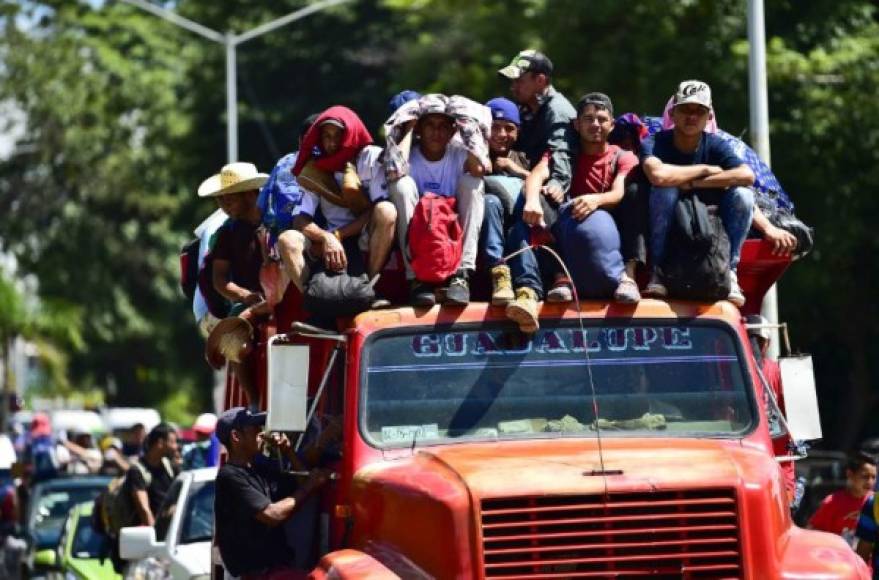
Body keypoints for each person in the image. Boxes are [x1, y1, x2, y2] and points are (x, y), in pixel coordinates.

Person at [640, 80, 756, 306]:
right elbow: (659, 176)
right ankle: (657, 269)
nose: (692, 117)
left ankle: (730, 271)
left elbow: (747, 175)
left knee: (744, 195)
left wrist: (693, 184)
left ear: (709, 117)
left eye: (699, 111)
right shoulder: (654, 142)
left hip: (712, 228)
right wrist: (704, 170)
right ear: (672, 114)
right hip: (668, 226)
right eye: (685, 110)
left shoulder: (716, 144)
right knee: (666, 191)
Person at [277, 107, 396, 304]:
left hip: (366, 234)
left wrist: (339, 235)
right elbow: (300, 219)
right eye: (326, 136)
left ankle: (368, 288)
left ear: (350, 135)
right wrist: (326, 237)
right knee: (287, 239)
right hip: (331, 239)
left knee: (387, 210)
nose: (332, 143)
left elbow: (375, 210)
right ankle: (316, 304)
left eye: (338, 136)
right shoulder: (316, 167)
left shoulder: (370, 158)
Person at [387, 94, 487, 306]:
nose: (436, 132)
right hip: (421, 232)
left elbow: (479, 169)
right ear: (420, 130)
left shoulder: (459, 153)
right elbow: (394, 170)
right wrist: (409, 127)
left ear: (452, 130)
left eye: (443, 126)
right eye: (429, 125)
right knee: (401, 185)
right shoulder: (409, 155)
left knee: (473, 183)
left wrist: (466, 126)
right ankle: (415, 280)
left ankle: (462, 275)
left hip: (452, 229)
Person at [214, 407, 328, 579]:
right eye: (254, 429)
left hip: (274, 571)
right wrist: (311, 486)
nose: (261, 433)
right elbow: (272, 514)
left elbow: (302, 482)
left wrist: (288, 452)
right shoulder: (230, 476)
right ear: (236, 437)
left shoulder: (259, 468)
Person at [198, 162, 271, 404]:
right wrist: (244, 296)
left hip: (281, 295)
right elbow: (219, 280)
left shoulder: (278, 222)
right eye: (220, 201)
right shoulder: (226, 234)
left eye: (229, 199)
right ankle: (254, 401)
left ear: (251, 193)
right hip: (248, 303)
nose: (224, 207)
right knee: (234, 345)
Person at [481, 97, 531, 305]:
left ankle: (527, 287)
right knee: (490, 201)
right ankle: (498, 272)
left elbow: (540, 183)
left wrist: (515, 169)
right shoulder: (472, 157)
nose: (502, 135)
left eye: (509, 128)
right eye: (495, 127)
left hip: (520, 230)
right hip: (485, 234)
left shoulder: (524, 157)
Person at [747, 313, 796, 501]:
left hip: (748, 467)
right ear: (766, 344)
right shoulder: (782, 371)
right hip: (780, 470)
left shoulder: (727, 373)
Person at [809, 451, 876, 546]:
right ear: (850, 474)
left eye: (874, 477)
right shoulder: (832, 503)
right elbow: (813, 535)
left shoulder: (875, 503)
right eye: (865, 476)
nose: (870, 482)